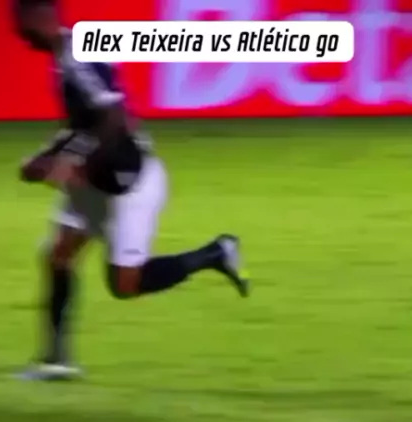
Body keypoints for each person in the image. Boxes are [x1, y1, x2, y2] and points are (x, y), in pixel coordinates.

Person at [13, 0, 249, 380]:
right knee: (58, 255)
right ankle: (56, 360)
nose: (20, 34)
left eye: (21, 23)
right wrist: (47, 156)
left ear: (38, 17)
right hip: (95, 182)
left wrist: (70, 162)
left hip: (129, 183)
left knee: (125, 285)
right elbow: (83, 125)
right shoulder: (66, 57)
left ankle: (216, 253)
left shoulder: (77, 59)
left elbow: (114, 118)